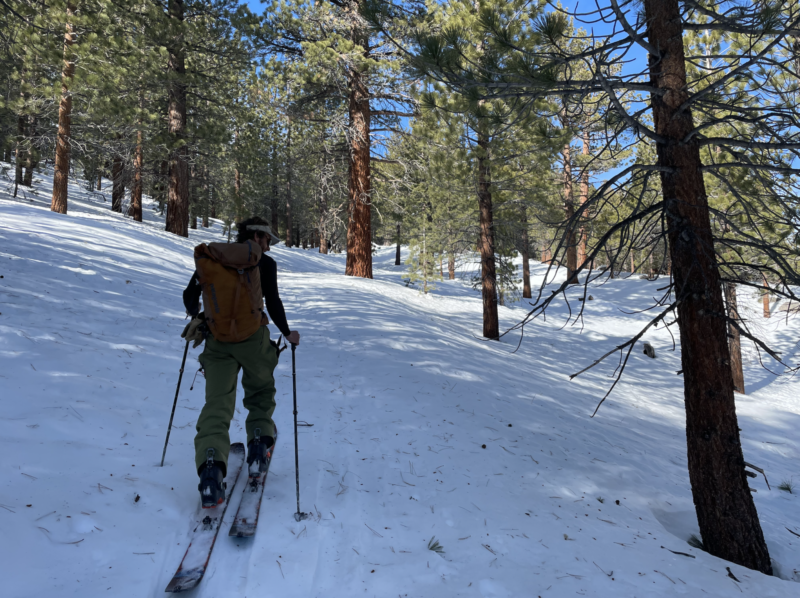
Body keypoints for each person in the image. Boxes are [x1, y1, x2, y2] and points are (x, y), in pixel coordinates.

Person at [182, 216, 300, 507]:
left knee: (217, 406)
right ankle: (258, 446)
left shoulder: (213, 258)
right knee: (260, 393)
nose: (269, 244)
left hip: (217, 342)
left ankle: (211, 473)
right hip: (253, 341)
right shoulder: (264, 264)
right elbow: (272, 302)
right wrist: (287, 333)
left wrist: (198, 312)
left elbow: (189, 298)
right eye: (267, 239)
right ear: (257, 237)